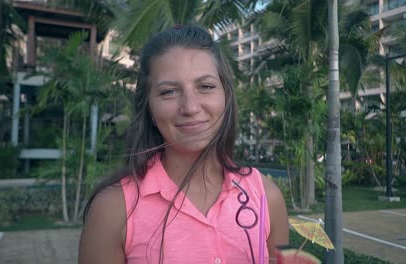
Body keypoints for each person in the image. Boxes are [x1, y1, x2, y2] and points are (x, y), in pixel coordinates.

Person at [78, 25, 289, 264]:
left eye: (206, 86)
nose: (190, 107)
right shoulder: (113, 210)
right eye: (169, 91)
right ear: (148, 106)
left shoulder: (265, 197)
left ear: (226, 96)